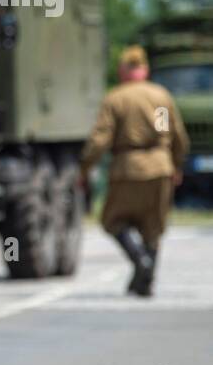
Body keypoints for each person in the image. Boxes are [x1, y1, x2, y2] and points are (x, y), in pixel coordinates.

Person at [80, 45, 189, 296]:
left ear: (123, 70)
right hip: (160, 166)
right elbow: (173, 136)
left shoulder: (116, 98)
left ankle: (141, 262)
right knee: (154, 227)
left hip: (127, 168)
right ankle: (145, 280)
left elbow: (100, 140)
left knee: (112, 220)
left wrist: (85, 167)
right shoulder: (160, 97)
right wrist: (175, 164)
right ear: (145, 69)